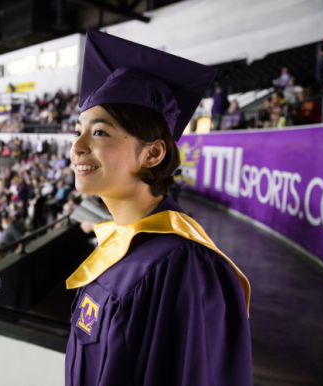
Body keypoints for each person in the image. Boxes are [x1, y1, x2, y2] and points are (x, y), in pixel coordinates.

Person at [64, 29, 252, 386]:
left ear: (152, 153)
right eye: (78, 131)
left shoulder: (182, 268)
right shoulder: (125, 245)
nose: (77, 147)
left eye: (99, 132)